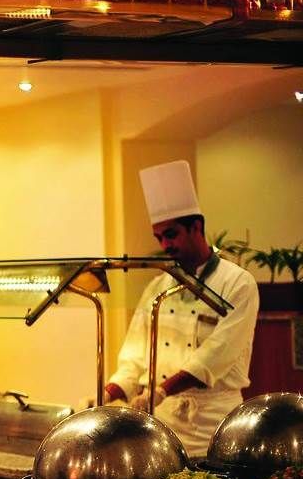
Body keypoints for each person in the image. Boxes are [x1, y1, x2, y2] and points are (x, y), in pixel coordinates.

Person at [105, 160, 259, 454]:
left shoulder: (238, 283)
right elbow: (134, 357)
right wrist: (106, 395)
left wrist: (161, 391)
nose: (165, 245)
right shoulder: (157, 286)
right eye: (159, 238)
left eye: (171, 234)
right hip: (162, 422)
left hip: (213, 422)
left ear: (196, 227)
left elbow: (215, 355)